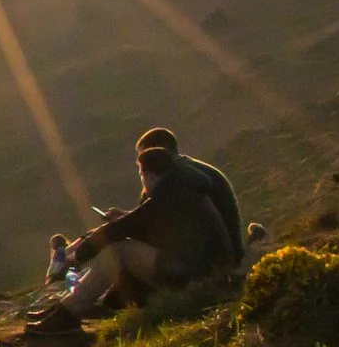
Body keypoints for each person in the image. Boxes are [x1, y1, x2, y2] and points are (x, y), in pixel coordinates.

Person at [25, 136, 238, 335]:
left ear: (149, 175)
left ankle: (67, 314)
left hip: (197, 274)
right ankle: (65, 308)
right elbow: (144, 222)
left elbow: (126, 226)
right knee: (120, 249)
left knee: (118, 250)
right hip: (201, 266)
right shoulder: (181, 185)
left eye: (141, 175)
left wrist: (83, 251)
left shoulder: (170, 194)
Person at [136, 127, 245, 264]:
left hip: (213, 262)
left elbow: (152, 221)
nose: (142, 166)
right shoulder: (190, 171)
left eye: (144, 157)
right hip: (227, 254)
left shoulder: (178, 179)